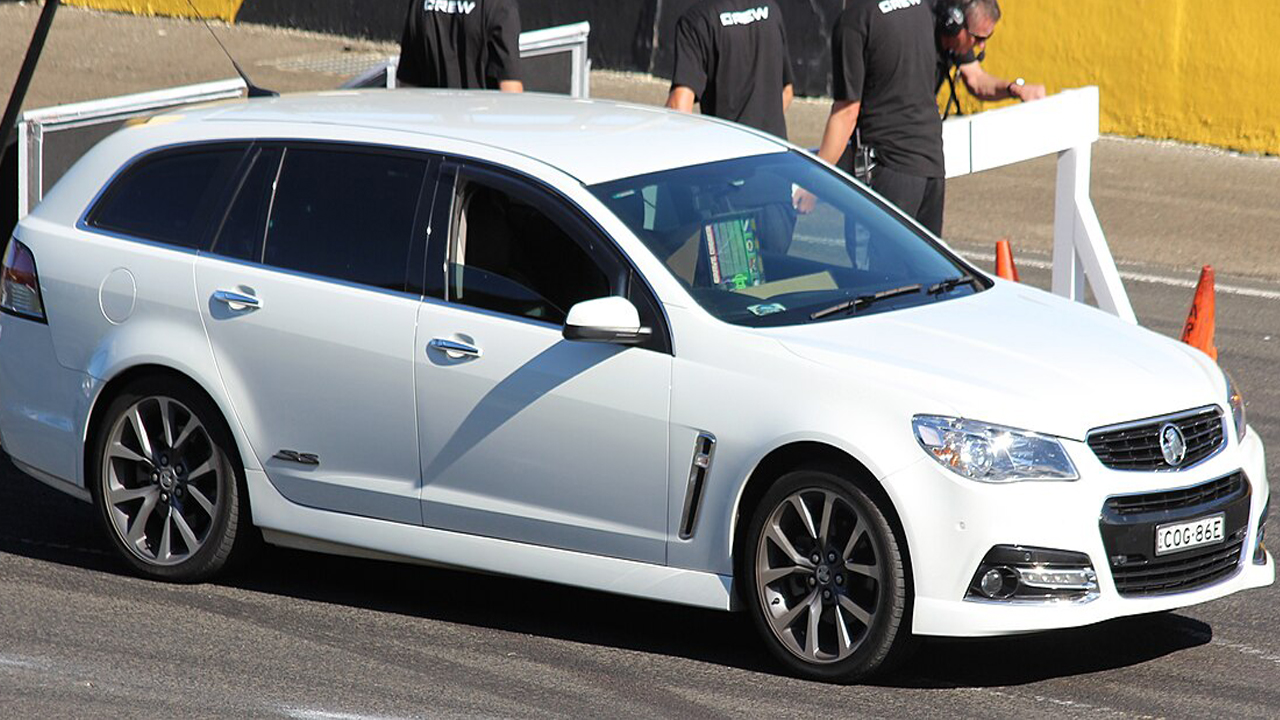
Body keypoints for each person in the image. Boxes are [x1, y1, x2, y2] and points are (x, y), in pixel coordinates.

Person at [798, 0, 1045, 236]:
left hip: (889, 166)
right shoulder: (923, 9)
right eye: (978, 38)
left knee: (886, 274)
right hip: (931, 167)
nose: (979, 47)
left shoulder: (855, 20)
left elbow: (847, 112)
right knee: (926, 273)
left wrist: (813, 181)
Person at [665, 0, 795, 140]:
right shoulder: (771, 9)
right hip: (773, 153)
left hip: (729, 153)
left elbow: (678, 108)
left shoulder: (697, 20)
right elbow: (786, 92)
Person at [396, 0, 524, 92]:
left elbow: (408, 86)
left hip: (432, 126)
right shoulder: (500, 5)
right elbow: (510, 91)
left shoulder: (420, 4)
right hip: (478, 126)